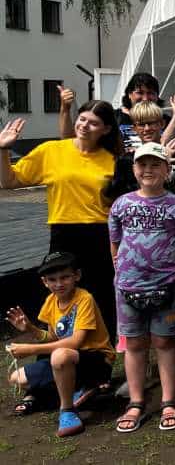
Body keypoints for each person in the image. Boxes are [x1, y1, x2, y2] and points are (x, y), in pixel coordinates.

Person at [1, 101, 122, 342]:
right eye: (82, 119)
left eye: (94, 123)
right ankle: (56, 353)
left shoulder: (114, 160)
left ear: (106, 129)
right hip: (64, 232)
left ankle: (101, 360)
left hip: (101, 234)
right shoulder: (51, 151)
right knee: (61, 296)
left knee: (101, 296)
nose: (85, 125)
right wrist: (3, 149)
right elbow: (9, 182)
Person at [108, 142, 175, 433]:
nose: (148, 170)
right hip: (128, 286)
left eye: (155, 164)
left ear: (167, 170)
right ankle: (135, 400)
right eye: (142, 164)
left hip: (167, 285)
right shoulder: (121, 204)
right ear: (134, 169)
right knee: (133, 343)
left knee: (165, 343)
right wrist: (120, 272)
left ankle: (169, 400)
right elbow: (115, 242)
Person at [5, 252, 115, 437]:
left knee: (60, 355)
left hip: (96, 360)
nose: (59, 284)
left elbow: (75, 341)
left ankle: (68, 411)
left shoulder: (84, 299)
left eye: (65, 277)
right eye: (52, 279)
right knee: (17, 378)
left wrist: (31, 349)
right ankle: (81, 390)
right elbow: (54, 338)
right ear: (45, 282)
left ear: (76, 276)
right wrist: (30, 328)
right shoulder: (50, 302)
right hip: (67, 361)